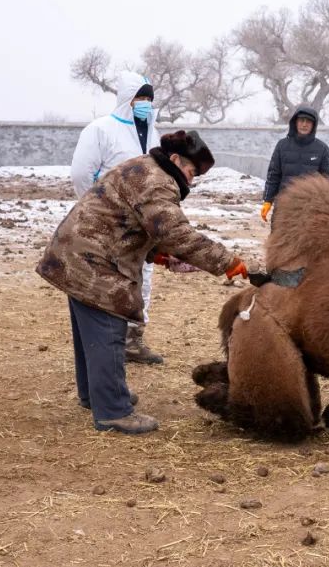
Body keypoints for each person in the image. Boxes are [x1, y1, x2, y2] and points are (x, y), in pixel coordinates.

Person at [37, 131, 249, 434]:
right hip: (94, 261)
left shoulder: (143, 167)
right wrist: (228, 262)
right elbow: (176, 233)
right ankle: (114, 411)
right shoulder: (158, 180)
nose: (190, 182)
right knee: (109, 330)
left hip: (76, 253)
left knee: (90, 334)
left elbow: (131, 220)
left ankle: (95, 395)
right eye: (191, 173)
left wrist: (156, 254)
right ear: (176, 160)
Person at [70, 71, 165, 365]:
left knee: (141, 279)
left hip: (142, 224)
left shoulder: (153, 134)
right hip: (109, 222)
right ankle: (109, 342)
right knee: (111, 279)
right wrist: (98, 209)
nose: (145, 103)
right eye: (140, 97)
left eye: (148, 98)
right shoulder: (101, 130)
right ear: (127, 99)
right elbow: (81, 173)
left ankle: (133, 340)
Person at [260, 105, 329, 223]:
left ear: (313, 125)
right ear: (295, 122)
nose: (304, 124)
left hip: (310, 208)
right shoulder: (282, 146)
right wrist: (268, 200)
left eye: (308, 121)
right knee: (280, 234)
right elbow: (273, 175)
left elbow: (326, 181)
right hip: (284, 204)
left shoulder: (322, 149)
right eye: (301, 120)